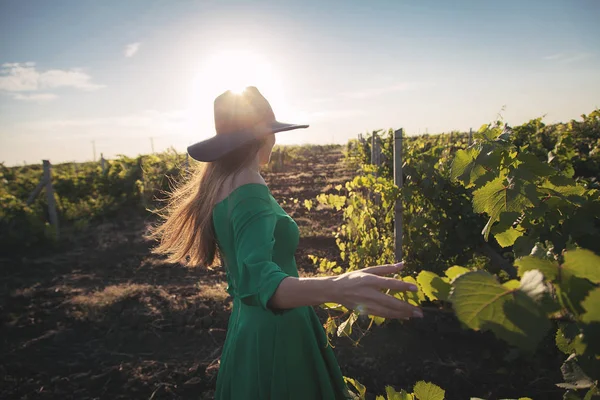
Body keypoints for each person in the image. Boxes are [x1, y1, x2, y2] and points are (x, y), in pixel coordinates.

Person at [149, 87, 423, 399]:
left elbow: (249, 283)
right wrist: (337, 287)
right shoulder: (249, 187)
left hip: (247, 330)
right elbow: (261, 282)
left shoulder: (220, 186)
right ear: (264, 137)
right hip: (278, 335)